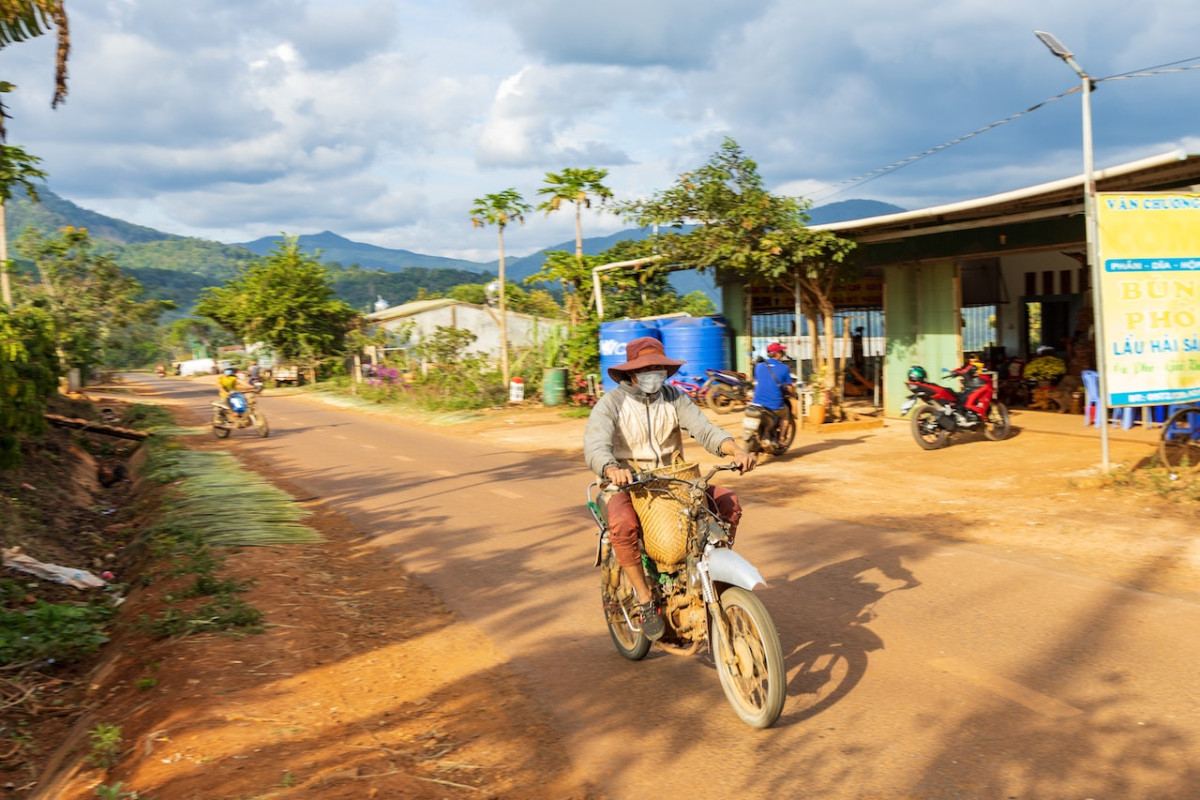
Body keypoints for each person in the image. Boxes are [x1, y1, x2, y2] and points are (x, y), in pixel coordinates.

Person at [583, 337, 756, 641]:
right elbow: (596, 447)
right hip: (629, 484)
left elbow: (704, 430)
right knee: (623, 526)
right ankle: (645, 598)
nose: (654, 374)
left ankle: (709, 577)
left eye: (659, 368)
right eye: (646, 368)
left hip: (676, 481)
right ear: (631, 373)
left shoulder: (674, 398)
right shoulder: (610, 404)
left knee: (728, 502)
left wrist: (736, 450)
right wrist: (613, 469)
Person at [749, 342, 797, 445]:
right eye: (781, 352)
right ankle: (782, 438)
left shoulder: (758, 366)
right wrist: (794, 394)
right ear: (778, 354)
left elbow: (760, 381)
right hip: (774, 405)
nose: (782, 353)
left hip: (756, 403)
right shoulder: (784, 368)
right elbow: (789, 386)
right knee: (786, 414)